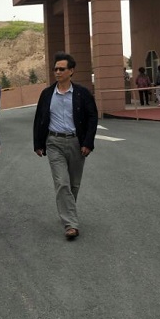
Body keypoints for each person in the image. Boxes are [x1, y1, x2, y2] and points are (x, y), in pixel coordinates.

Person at [33, 52, 98, 240]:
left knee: (73, 184)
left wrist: (88, 142)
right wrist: (38, 143)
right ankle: (70, 224)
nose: (58, 72)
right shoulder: (47, 94)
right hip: (54, 142)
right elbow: (39, 119)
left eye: (62, 69)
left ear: (71, 71)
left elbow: (92, 117)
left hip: (76, 143)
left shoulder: (82, 94)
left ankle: (67, 209)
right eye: (55, 69)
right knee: (62, 182)